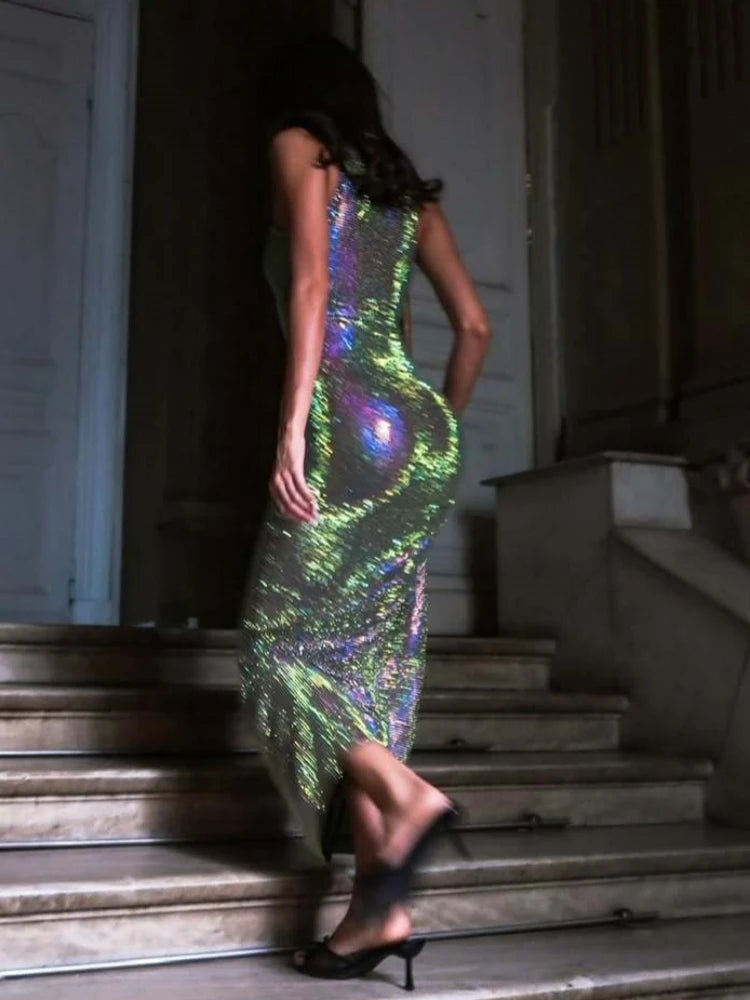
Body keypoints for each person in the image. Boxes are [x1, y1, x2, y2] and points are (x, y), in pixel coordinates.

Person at [237, 34, 491, 987]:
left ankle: (403, 793)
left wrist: (293, 425)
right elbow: (473, 326)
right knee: (370, 666)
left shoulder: (301, 146)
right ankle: (379, 914)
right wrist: (429, 440)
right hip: (418, 430)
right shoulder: (405, 191)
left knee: (275, 648)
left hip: (346, 413)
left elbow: (309, 285)